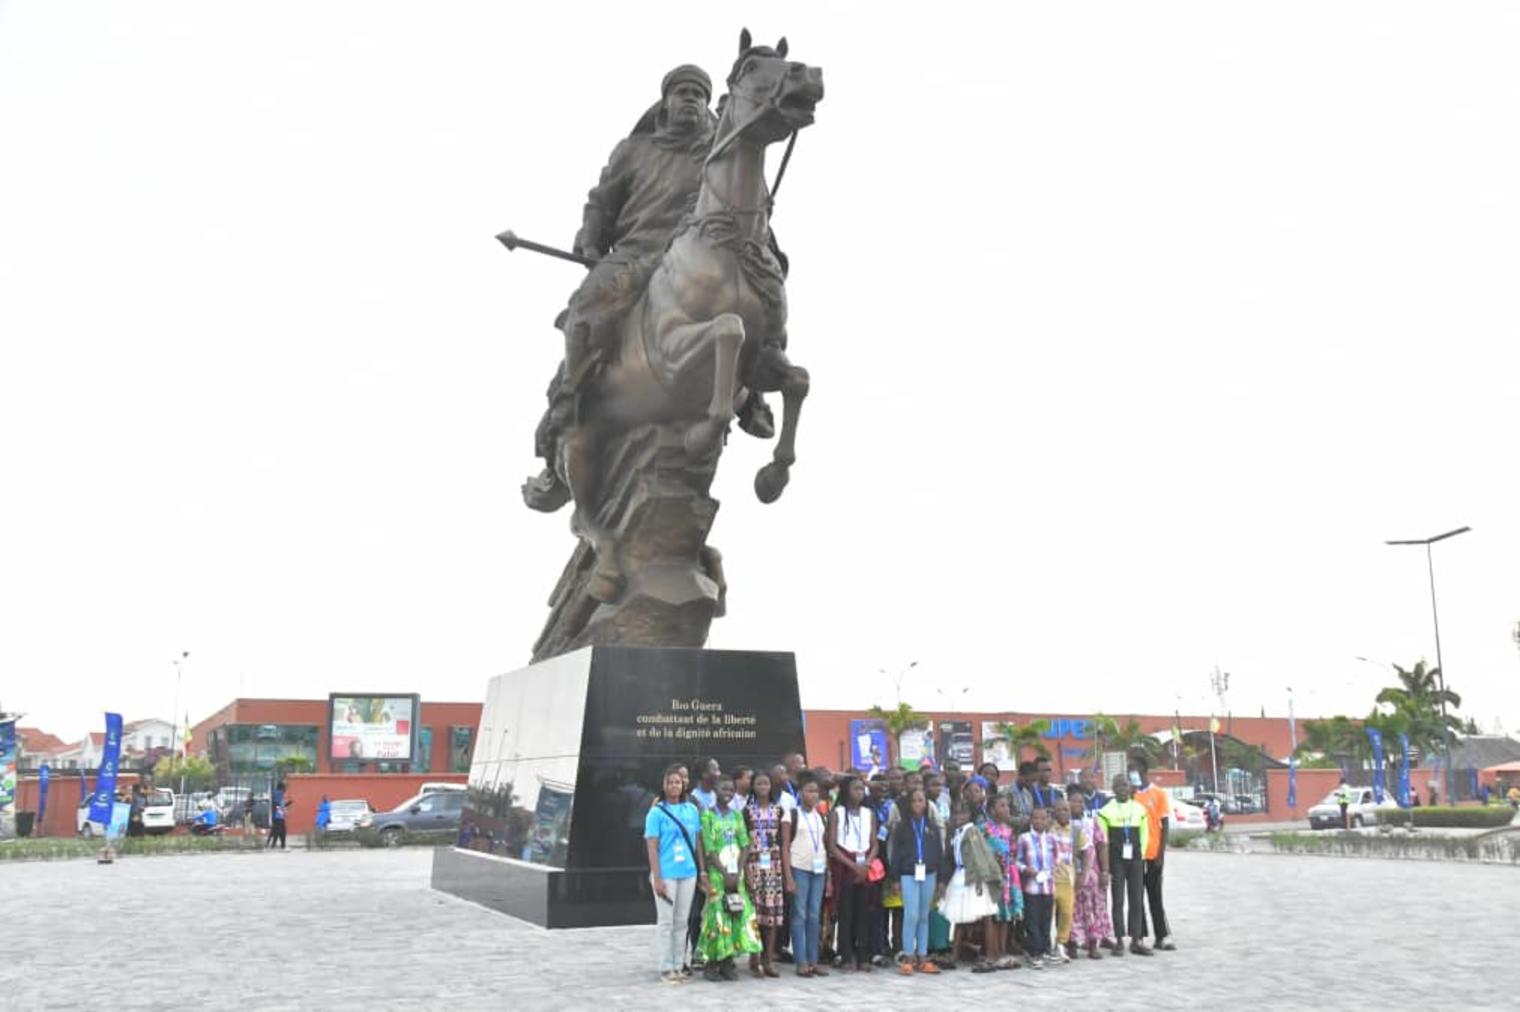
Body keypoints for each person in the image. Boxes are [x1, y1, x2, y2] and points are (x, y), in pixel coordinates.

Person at [696, 774, 762, 981]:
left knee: (736, 914)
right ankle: (711, 964)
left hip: (736, 875)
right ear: (715, 790)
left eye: (731, 790)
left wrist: (738, 872)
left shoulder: (736, 816)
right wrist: (725, 874)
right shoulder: (707, 816)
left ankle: (727, 962)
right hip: (718, 876)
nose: (728, 793)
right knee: (717, 918)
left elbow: (745, 845)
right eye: (724, 789)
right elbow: (709, 849)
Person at [646, 764, 703, 984]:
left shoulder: (692, 810)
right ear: (664, 785)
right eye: (670, 782)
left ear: (683, 785)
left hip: (688, 872)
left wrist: (701, 871)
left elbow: (698, 841)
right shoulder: (656, 812)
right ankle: (665, 966)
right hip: (666, 873)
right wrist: (657, 878)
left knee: (682, 922)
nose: (674, 786)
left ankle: (679, 964)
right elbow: (652, 847)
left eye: (677, 782)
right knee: (666, 922)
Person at [888, 787, 943, 975]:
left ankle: (922, 956)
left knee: (924, 915)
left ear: (926, 804)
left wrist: (941, 878)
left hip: (929, 873)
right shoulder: (902, 827)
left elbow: (939, 853)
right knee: (911, 914)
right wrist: (895, 878)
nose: (918, 804)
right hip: (908, 873)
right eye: (914, 800)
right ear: (909, 804)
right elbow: (895, 854)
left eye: (921, 800)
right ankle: (908, 956)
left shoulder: (932, 827)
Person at [937, 805, 1000, 968]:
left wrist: (980, 878)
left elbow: (979, 856)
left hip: (973, 876)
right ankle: (954, 954)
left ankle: (991, 955)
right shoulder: (957, 833)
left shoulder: (971, 832)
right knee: (960, 916)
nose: (959, 816)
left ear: (970, 814)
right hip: (960, 875)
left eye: (963, 812)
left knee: (986, 915)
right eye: (956, 813)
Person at [828, 775, 878, 971]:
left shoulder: (869, 814)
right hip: (844, 865)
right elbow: (832, 846)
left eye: (862, 789)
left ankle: (863, 955)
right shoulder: (837, 813)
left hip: (864, 864)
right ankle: (846, 955)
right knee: (846, 912)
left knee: (864, 913)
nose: (860, 792)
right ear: (846, 791)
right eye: (855, 788)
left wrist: (867, 863)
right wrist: (852, 865)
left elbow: (874, 843)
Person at [782, 774, 829, 979]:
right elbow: (785, 847)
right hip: (799, 868)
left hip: (818, 870)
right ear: (800, 793)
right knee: (799, 914)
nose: (814, 795)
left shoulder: (820, 816)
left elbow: (824, 845)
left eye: (816, 791)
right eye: (809, 791)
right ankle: (801, 960)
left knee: (814, 915)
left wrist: (829, 876)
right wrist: (788, 877)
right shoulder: (791, 815)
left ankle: (814, 960)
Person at [1098, 773, 1151, 956]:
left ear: (1130, 788)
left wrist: (1141, 855)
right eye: (1119, 786)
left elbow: (1145, 834)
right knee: (1118, 900)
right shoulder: (1105, 811)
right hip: (1116, 860)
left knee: (1136, 899)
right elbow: (1103, 839)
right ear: (1113, 789)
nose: (1122, 789)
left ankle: (1136, 940)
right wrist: (1106, 865)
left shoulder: (1139, 809)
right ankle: (1119, 940)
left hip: (1136, 859)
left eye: (1125, 785)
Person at [742, 771, 784, 978]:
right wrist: (745, 871)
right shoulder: (747, 811)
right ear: (753, 786)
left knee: (772, 915)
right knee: (755, 914)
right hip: (754, 865)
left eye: (766, 783)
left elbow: (783, 840)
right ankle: (755, 958)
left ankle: (769, 959)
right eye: (758, 783)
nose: (763, 787)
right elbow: (743, 843)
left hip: (774, 867)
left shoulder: (779, 810)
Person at [1131, 759, 1175, 951]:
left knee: (1155, 896)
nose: (1131, 773)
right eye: (1129, 770)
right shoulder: (1130, 795)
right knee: (1136, 897)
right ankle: (1139, 937)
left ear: (1143, 770)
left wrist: (1160, 855)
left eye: (1133, 769)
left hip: (1153, 853)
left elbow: (1165, 824)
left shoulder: (1158, 793)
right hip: (1135, 855)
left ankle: (1162, 936)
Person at [1065, 785, 1112, 959]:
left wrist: (1105, 872)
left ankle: (1093, 945)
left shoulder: (1091, 823)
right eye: (1074, 801)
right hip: (1069, 875)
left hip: (1091, 875)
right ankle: (1071, 944)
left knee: (1093, 910)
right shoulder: (1062, 825)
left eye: (1081, 802)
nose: (1078, 804)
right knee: (1070, 910)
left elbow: (1102, 846)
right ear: (1067, 803)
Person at [982, 793, 1023, 970]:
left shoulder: (1009, 830)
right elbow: (980, 851)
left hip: (1007, 876)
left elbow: (1013, 851)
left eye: (1007, 806)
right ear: (992, 810)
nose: (1006, 809)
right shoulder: (984, 829)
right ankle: (991, 953)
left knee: (1005, 915)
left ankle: (1002, 952)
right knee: (991, 915)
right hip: (991, 876)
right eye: (1002, 806)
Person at [1018, 807, 1058, 967]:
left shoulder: (1051, 839)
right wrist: (1026, 869)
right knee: (1032, 921)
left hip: (1047, 887)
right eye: (1036, 818)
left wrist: (1052, 870)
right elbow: (1017, 860)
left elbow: (1056, 858)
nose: (1039, 821)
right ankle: (1034, 952)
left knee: (1046, 920)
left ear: (1048, 820)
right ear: (1031, 820)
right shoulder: (1024, 838)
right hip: (1031, 887)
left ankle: (1046, 950)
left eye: (1043, 818)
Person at [1049, 797, 1082, 962]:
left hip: (1068, 881)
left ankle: (1061, 944)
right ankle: (1048, 946)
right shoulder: (1049, 829)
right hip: (1051, 880)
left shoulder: (1075, 830)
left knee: (1067, 914)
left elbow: (1083, 851)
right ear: (1054, 812)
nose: (1063, 813)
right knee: (1049, 915)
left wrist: (1081, 873)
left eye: (1066, 810)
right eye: (1059, 810)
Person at [267, 783, 290, 850]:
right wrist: (285, 806)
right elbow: (279, 805)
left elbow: (280, 805)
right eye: (284, 788)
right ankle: (278, 845)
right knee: (279, 831)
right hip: (278, 816)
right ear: (282, 788)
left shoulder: (277, 794)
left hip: (278, 816)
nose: (285, 790)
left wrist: (286, 805)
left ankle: (274, 844)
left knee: (277, 831)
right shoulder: (279, 793)